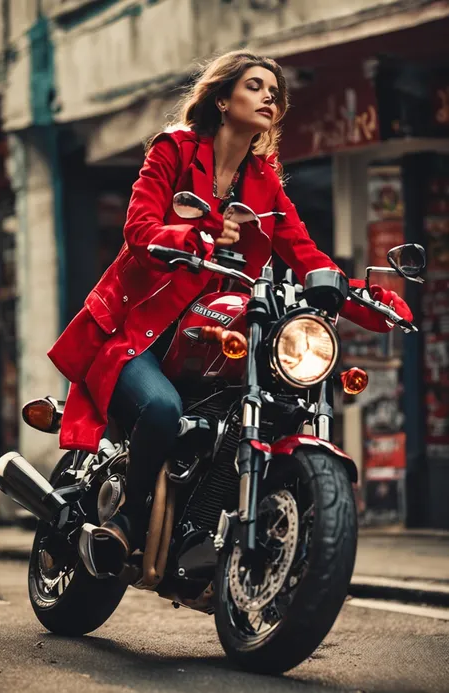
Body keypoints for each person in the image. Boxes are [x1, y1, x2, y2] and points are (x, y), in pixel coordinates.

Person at [48, 50, 412, 572]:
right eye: (256, 86)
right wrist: (198, 231)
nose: (270, 97)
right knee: (163, 410)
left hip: (213, 327)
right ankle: (127, 521)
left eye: (275, 92)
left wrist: (370, 300)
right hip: (143, 331)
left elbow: (308, 258)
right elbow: (139, 229)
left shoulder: (265, 183)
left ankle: (198, 527)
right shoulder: (173, 151)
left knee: (252, 404)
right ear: (222, 99)